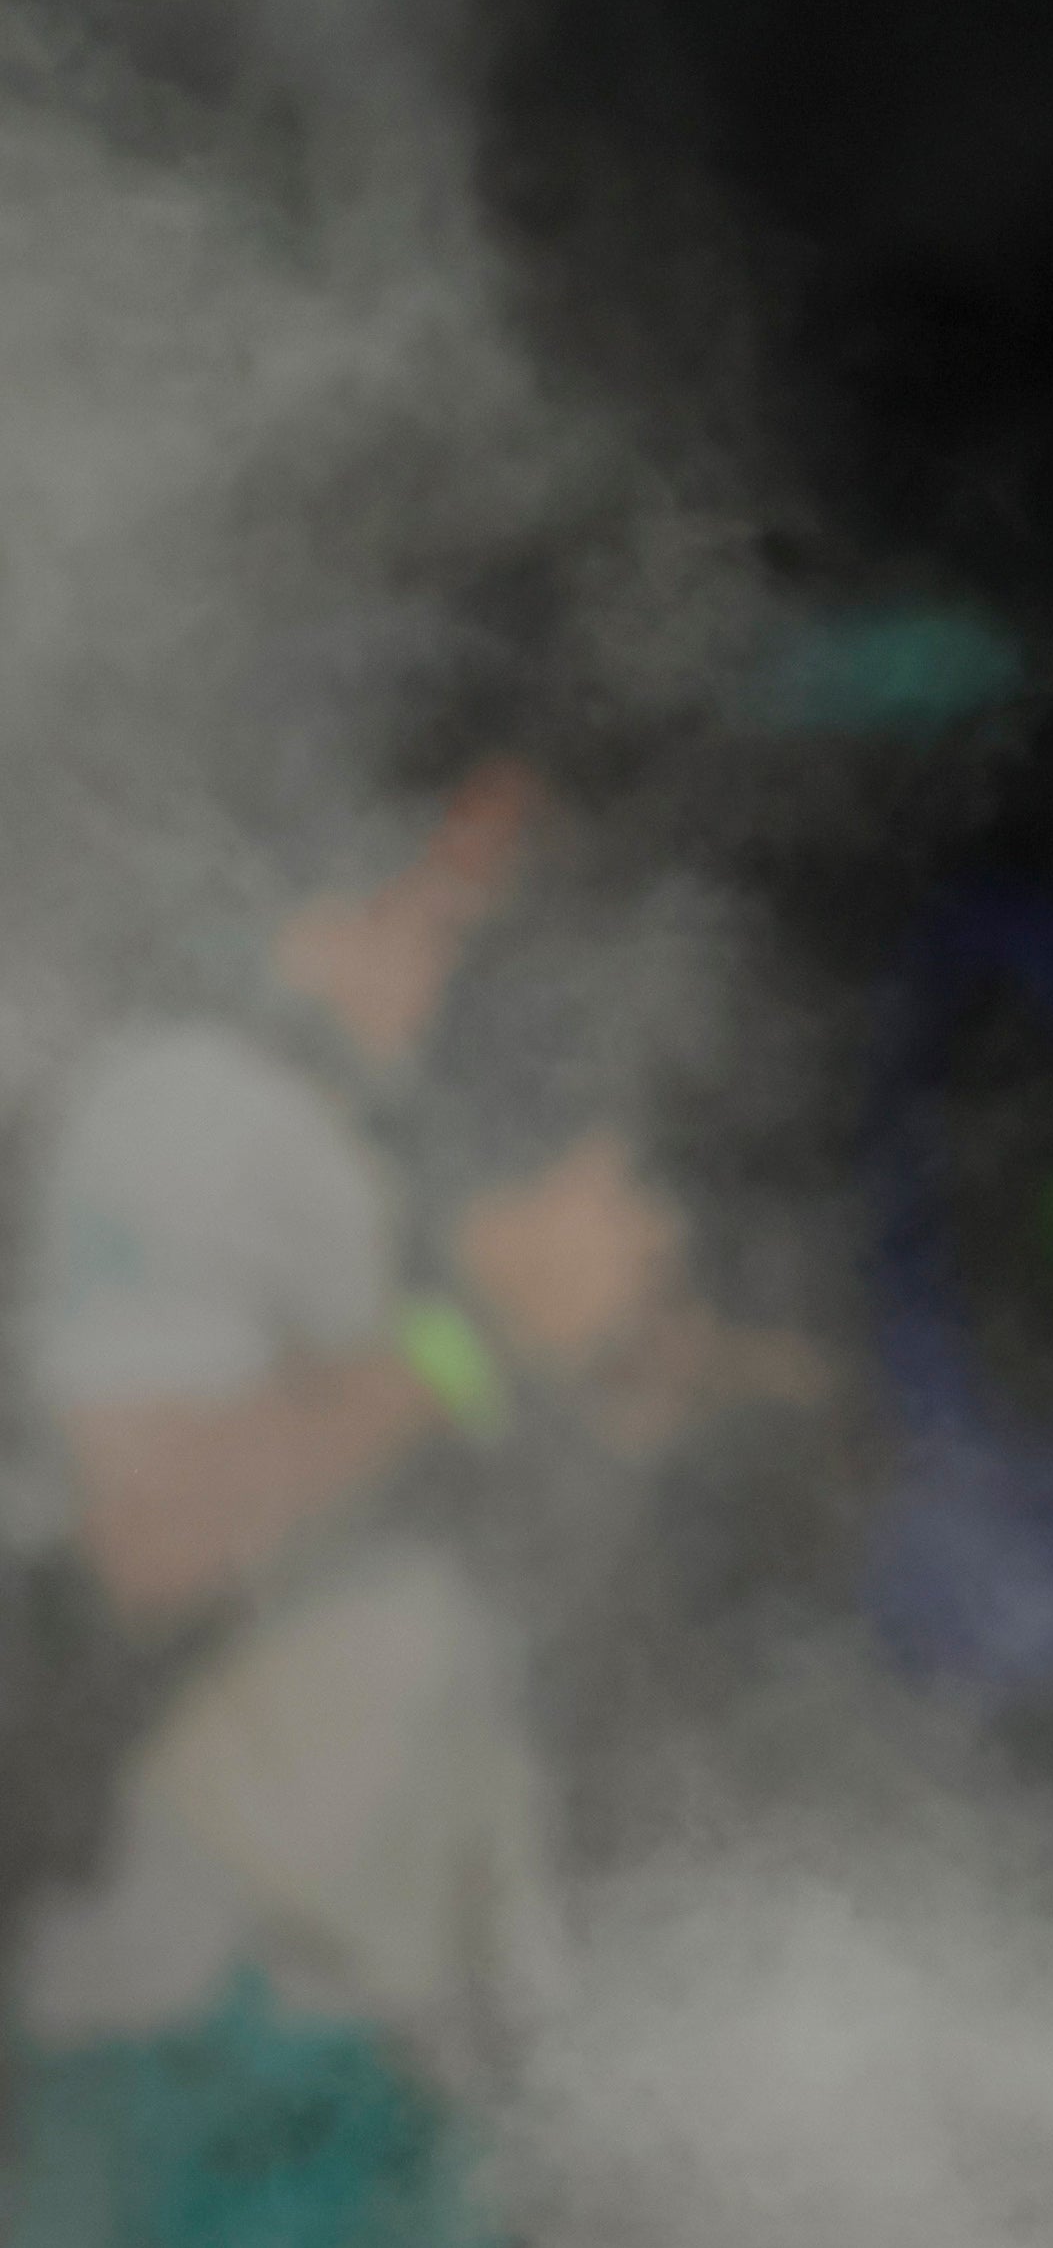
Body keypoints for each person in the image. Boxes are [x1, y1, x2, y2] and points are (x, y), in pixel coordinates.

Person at [11, 754, 766, 2247]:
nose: (474, 935)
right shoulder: (187, 1106)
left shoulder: (375, 1139)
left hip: (378, 2018)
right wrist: (473, 1333)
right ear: (310, 892)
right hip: (201, 2031)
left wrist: (607, 1386)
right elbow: (150, 1530)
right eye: (444, 893)